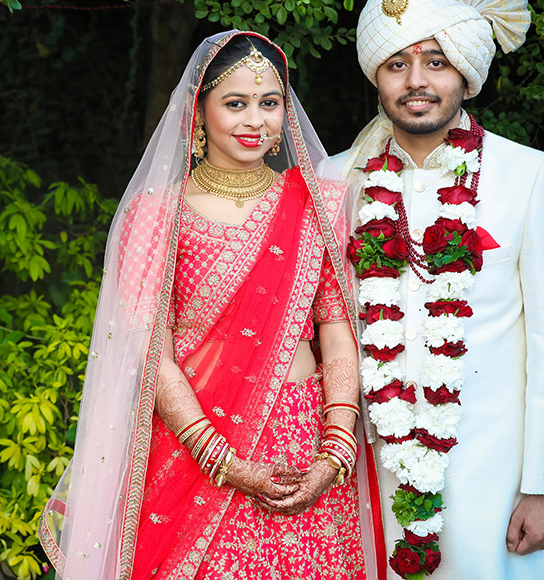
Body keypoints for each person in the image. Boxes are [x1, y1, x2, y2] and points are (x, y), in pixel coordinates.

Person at [40, 31, 383, 579]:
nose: (256, 121)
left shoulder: (318, 203)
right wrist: (225, 461)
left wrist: (336, 447)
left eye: (269, 103)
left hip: (306, 444)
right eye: (236, 103)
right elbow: (152, 355)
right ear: (198, 113)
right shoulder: (157, 215)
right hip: (197, 451)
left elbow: (337, 329)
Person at [336, 0, 544, 579]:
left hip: (491, 473)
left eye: (437, 63)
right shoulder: (335, 180)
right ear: (376, 78)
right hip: (367, 468)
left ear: (466, 76)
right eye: (397, 64)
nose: (416, 81)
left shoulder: (529, 175)